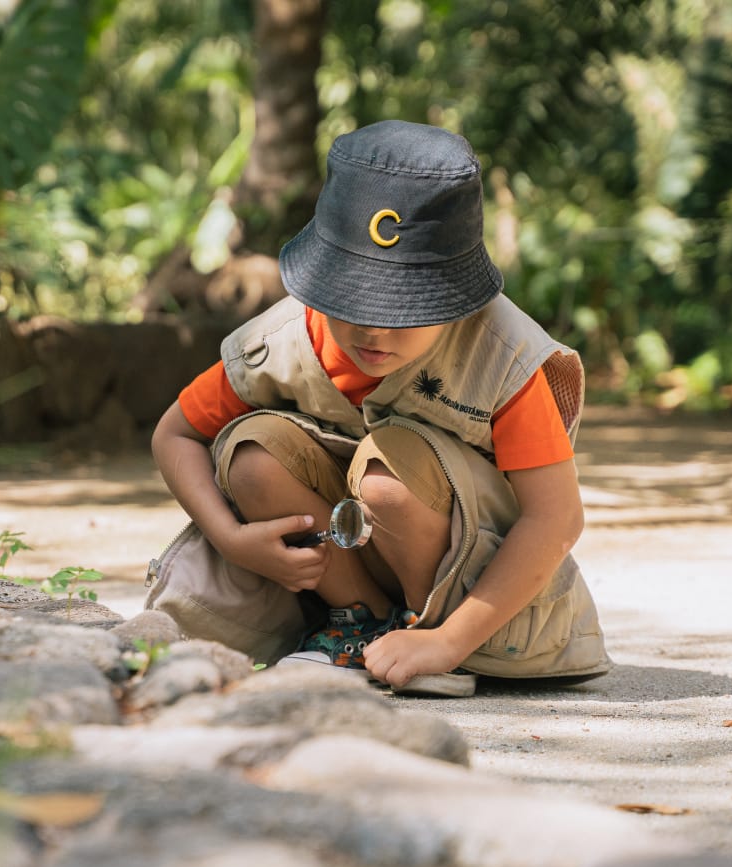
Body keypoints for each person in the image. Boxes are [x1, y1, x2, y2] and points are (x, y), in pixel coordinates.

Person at [147, 120, 610, 697]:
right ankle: (356, 625)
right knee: (253, 452)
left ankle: (426, 634)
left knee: (390, 472)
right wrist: (229, 539)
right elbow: (176, 435)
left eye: (406, 308)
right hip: (350, 563)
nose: (373, 330)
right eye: (353, 300)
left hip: (473, 595)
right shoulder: (283, 340)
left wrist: (447, 642)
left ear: (456, 295)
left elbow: (556, 520)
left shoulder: (502, 356)